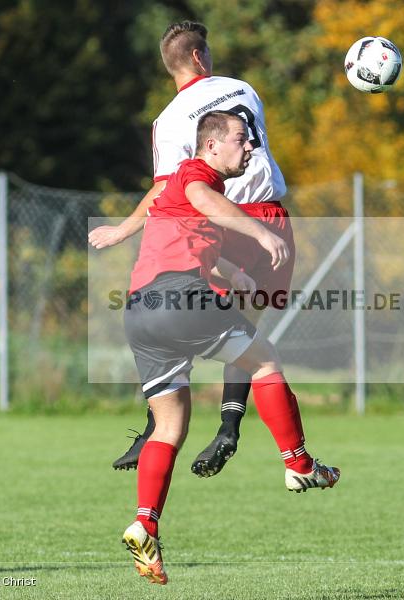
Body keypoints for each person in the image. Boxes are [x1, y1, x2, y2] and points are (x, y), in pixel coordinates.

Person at [111, 110, 339, 585]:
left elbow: (188, 247)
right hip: (179, 298)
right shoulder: (196, 174)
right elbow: (198, 195)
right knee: (265, 361)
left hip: (140, 311)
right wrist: (259, 232)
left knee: (169, 426)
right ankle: (298, 463)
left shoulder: (195, 196)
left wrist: (230, 273)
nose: (250, 147)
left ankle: (145, 522)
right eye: (241, 139)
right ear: (211, 145)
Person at [89, 21, 294, 478]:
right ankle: (230, 429)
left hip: (227, 224)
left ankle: (155, 427)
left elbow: (168, 190)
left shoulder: (172, 118)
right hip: (274, 218)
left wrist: (125, 228)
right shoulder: (244, 89)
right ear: (202, 57)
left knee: (190, 322)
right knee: (251, 337)